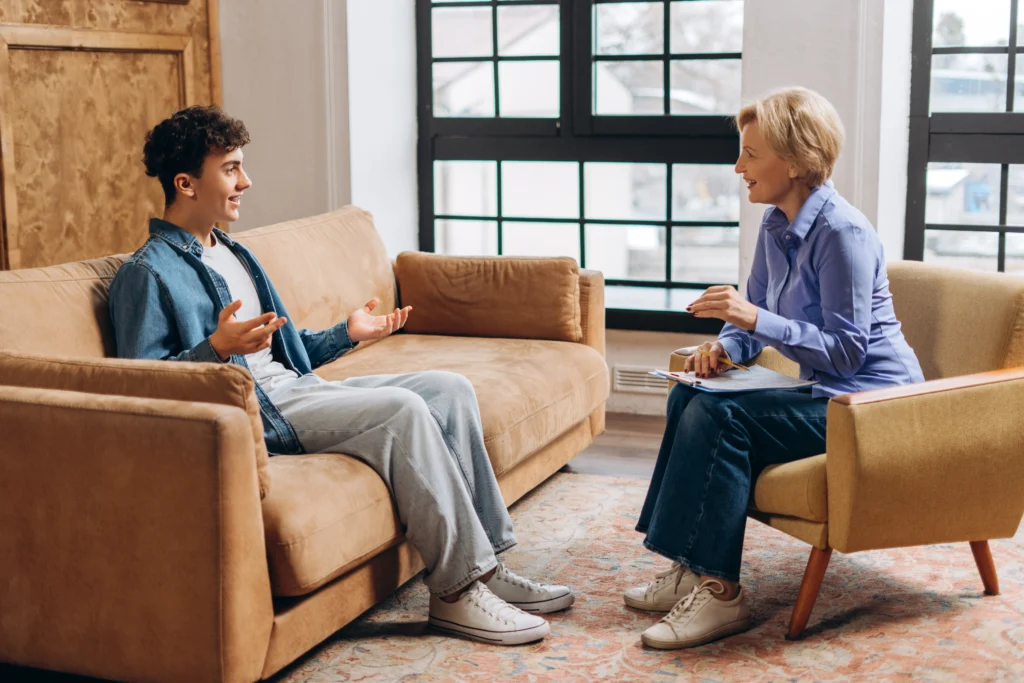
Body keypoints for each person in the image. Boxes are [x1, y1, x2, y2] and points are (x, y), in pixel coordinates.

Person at [108, 106, 574, 646]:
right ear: (186, 183)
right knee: (403, 412)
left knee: (449, 389)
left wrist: (347, 333)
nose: (246, 181)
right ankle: (455, 594)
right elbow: (139, 385)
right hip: (263, 414)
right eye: (231, 168)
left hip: (297, 390)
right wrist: (213, 350)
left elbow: (285, 349)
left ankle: (487, 568)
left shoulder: (234, 251)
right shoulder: (145, 274)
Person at [624, 88, 924, 650]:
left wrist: (755, 317)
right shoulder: (775, 225)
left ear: (795, 159)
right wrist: (726, 349)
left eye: (751, 154)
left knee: (720, 417)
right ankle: (690, 564)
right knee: (690, 394)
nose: (738, 167)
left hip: (874, 406)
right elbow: (749, 322)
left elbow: (845, 354)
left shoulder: (844, 234)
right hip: (825, 391)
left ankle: (720, 592)